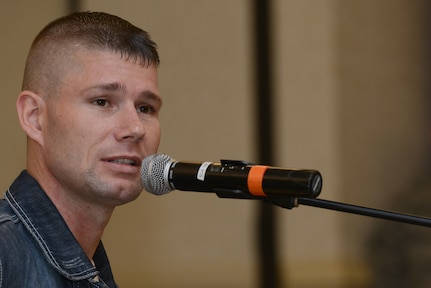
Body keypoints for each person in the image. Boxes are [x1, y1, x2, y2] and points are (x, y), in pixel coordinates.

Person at [0, 11, 162, 287]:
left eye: (145, 108)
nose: (135, 128)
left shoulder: (92, 268)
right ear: (34, 117)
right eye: (102, 101)